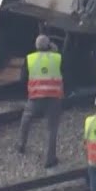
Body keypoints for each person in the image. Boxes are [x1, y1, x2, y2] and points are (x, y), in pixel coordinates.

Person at [18, 34, 63, 168]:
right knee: (51, 128)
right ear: (49, 45)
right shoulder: (57, 57)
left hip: (35, 97)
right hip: (53, 98)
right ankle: (50, 159)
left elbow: (22, 78)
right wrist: (55, 50)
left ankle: (21, 144)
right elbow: (64, 72)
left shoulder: (30, 58)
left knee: (26, 120)